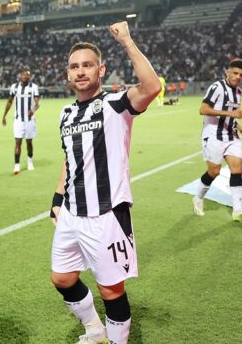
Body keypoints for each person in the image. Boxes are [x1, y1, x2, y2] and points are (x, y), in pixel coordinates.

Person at [50, 21, 161, 344]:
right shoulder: (66, 114)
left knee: (110, 289)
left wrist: (127, 41)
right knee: (62, 277)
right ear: (68, 74)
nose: (80, 71)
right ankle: (95, 330)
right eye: (74, 66)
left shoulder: (116, 104)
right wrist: (57, 199)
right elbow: (70, 160)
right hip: (71, 212)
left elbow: (152, 86)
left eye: (87, 65)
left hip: (107, 213)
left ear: (101, 70)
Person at [193, 58, 242, 221]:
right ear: (227, 72)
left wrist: (240, 127)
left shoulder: (238, 92)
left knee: (237, 170)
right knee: (214, 171)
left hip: (231, 136)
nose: (238, 77)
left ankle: (238, 209)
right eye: (235, 73)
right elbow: (203, 109)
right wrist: (231, 114)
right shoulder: (217, 87)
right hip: (213, 135)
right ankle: (198, 197)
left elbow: (231, 116)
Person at [2, 69, 40, 174]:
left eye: (27, 75)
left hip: (29, 120)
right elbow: (10, 101)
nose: (25, 76)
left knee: (29, 142)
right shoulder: (14, 87)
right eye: (23, 74)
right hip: (18, 120)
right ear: (20, 76)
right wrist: (4, 116)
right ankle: (17, 165)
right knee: (18, 142)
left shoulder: (34, 87)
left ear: (30, 77)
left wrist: (33, 110)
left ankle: (30, 161)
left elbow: (37, 103)